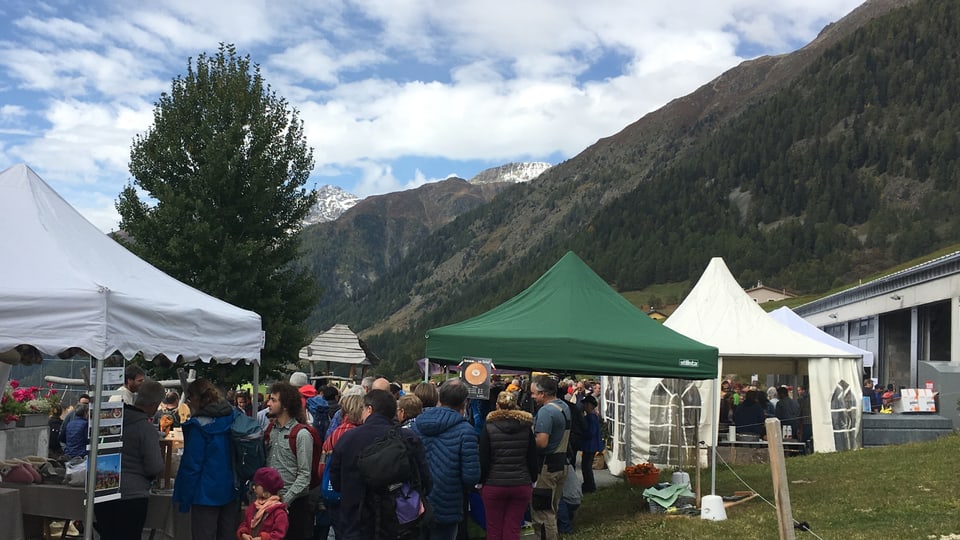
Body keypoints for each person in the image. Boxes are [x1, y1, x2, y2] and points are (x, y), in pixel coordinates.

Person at [330, 389, 432, 539]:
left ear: (369, 409)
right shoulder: (408, 438)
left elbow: (336, 483)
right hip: (399, 523)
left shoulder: (348, 439)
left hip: (357, 523)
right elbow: (425, 481)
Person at [93, 380, 165, 539]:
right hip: (132, 494)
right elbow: (154, 466)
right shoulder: (145, 429)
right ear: (154, 404)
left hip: (103, 487)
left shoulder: (110, 421)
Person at [410, 380, 480, 540]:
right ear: (464, 403)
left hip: (417, 502)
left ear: (439, 399)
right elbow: (471, 476)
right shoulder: (466, 431)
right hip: (449, 503)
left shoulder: (416, 425)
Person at [173, 378, 240, 540]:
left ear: (197, 398)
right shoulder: (234, 416)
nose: (189, 403)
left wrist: (184, 499)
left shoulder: (198, 426)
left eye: (189, 399)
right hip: (232, 487)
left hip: (205, 493)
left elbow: (192, 465)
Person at [478, 390, 538, 540]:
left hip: (493, 483)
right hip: (521, 482)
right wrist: (534, 478)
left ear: (497, 405)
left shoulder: (489, 427)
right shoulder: (526, 427)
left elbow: (484, 457)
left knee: (493, 527)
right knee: (513, 527)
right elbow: (532, 456)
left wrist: (480, 481)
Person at [264, 381, 314, 540]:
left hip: (294, 505)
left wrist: (285, 500)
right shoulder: (271, 430)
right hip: (270, 502)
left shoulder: (301, 434)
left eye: (273, 400)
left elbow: (305, 475)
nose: (268, 403)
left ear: (285, 406)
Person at [529, 375, 570, 540]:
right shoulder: (563, 406)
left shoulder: (546, 411)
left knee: (542, 513)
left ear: (542, 393)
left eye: (533, 393)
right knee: (552, 508)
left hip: (547, 467)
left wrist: (526, 439)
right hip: (561, 464)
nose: (532, 397)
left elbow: (542, 442)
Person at [320, 393, 365, 538]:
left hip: (332, 494)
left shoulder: (332, 436)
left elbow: (321, 469)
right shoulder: (359, 435)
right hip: (352, 496)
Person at [237, 467, 289, 540]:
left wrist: (262, 538)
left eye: (257, 485)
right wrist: (243, 533)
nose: (253, 487)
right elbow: (245, 523)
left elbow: (279, 534)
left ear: (266, 490)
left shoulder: (279, 512)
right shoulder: (253, 507)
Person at [579, 395, 603, 493]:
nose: (584, 406)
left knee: (586, 466)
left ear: (590, 405)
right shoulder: (592, 417)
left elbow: (591, 432)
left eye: (586, 404)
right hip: (590, 445)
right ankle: (588, 484)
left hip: (590, 445)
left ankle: (589, 485)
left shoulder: (591, 418)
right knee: (586, 466)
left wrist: (582, 433)